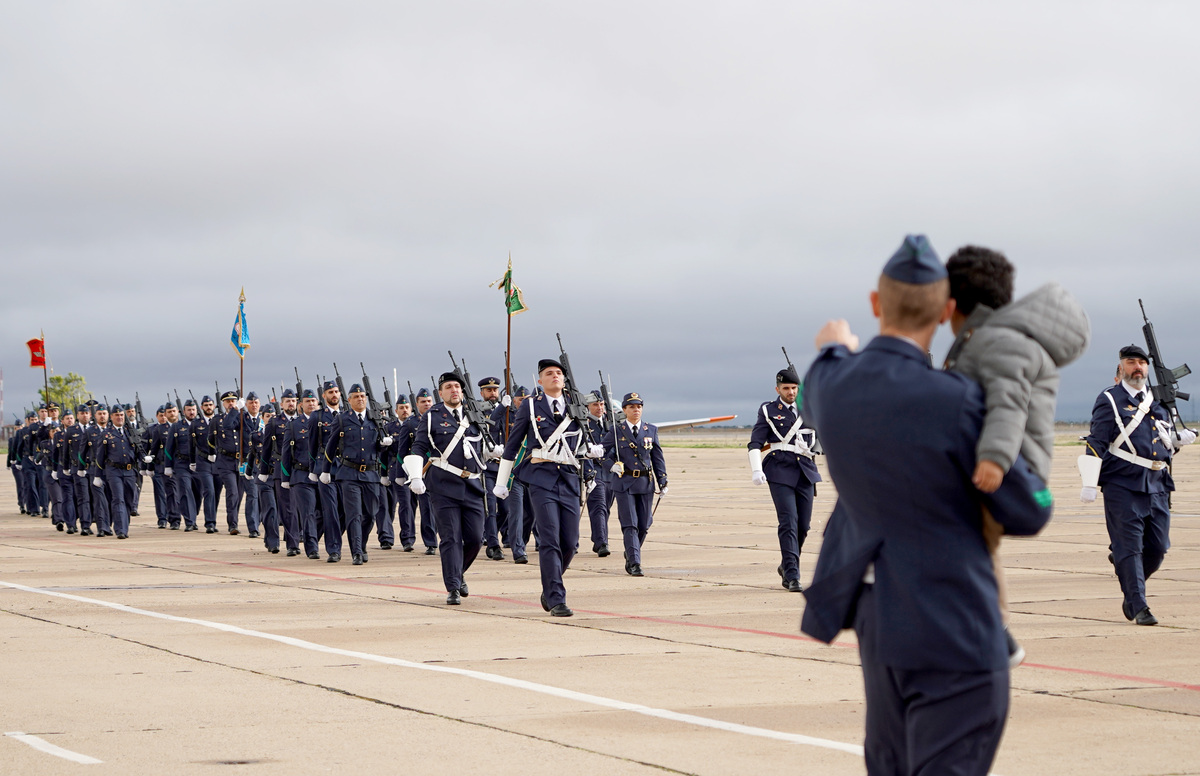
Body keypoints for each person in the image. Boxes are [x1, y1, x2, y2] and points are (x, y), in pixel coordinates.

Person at [800, 234, 1054, 776]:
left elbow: (824, 367)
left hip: (882, 632)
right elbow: (1029, 510)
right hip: (955, 632)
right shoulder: (960, 399)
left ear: (875, 305)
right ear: (945, 313)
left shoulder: (829, 383)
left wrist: (833, 345)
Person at [942, 245, 1089, 660]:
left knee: (973, 551)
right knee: (975, 549)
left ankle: (995, 636)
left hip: (1008, 469)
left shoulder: (999, 342)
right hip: (1001, 468)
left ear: (954, 303)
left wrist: (994, 458)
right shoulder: (991, 338)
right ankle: (990, 633)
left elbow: (1009, 404)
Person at [1082, 344, 1196, 625]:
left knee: (1158, 548)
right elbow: (1097, 440)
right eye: (1131, 362)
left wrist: (1177, 441)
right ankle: (1139, 606)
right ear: (1121, 368)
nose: (1137, 367)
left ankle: (1129, 577)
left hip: (1158, 483)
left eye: (1142, 363)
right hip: (1122, 483)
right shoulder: (1109, 400)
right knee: (1130, 547)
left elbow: (1160, 443)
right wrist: (1088, 480)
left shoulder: (1158, 402)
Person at [495, 360, 604, 616]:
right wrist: (502, 482)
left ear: (564, 381)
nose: (554, 376)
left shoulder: (576, 406)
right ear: (540, 381)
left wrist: (592, 452)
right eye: (548, 374)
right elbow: (512, 445)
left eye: (558, 373)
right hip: (540, 478)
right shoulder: (531, 406)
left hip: (568, 477)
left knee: (570, 542)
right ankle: (556, 598)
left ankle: (549, 585)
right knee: (550, 539)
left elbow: (581, 443)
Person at [404, 373, 487, 605]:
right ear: (440, 393)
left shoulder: (474, 415)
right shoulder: (431, 417)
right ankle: (452, 587)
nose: (454, 390)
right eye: (449, 387)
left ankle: (457, 573)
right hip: (443, 485)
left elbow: (484, 444)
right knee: (450, 538)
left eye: (457, 386)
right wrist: (415, 475)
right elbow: (419, 446)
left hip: (472, 485)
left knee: (475, 539)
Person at [747, 367, 821, 592]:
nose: (790, 392)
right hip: (779, 469)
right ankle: (792, 574)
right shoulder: (769, 410)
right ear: (777, 389)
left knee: (804, 526)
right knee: (788, 521)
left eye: (794, 388)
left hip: (805, 470)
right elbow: (755, 443)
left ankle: (786, 564)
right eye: (786, 388)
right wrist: (756, 469)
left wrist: (813, 448)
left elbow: (821, 439)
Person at [319, 383, 393, 565]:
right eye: (356, 396)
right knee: (354, 514)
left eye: (362, 396)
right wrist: (326, 471)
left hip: (370, 474)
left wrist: (384, 444)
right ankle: (357, 552)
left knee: (371, 514)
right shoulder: (343, 420)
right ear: (349, 400)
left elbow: (378, 449)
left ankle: (363, 543)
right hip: (349, 474)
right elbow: (331, 445)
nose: (360, 399)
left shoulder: (375, 419)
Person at [603, 393, 667, 576]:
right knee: (630, 524)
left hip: (645, 483)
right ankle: (635, 563)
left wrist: (663, 480)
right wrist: (611, 466)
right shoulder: (616, 430)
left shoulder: (651, 430)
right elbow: (601, 453)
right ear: (624, 410)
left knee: (645, 523)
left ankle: (632, 550)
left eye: (639, 406)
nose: (636, 410)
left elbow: (657, 457)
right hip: (624, 483)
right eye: (631, 407)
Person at [489, 385, 532, 563]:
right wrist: (501, 408)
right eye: (520, 400)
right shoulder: (508, 415)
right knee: (515, 512)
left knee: (531, 514)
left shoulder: (537, 417)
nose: (523, 402)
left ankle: (522, 540)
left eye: (526, 399)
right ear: (514, 401)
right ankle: (518, 549)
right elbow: (490, 427)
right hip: (512, 472)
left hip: (531, 470)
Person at [94, 406, 139, 539]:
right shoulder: (106, 434)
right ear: (111, 417)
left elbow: (137, 451)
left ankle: (124, 526)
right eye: (116, 415)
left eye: (121, 415)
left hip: (130, 471)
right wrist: (97, 475)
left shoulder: (130, 432)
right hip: (114, 471)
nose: (119, 417)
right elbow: (100, 456)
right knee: (118, 499)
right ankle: (120, 530)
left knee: (128, 501)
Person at [584, 391, 614, 557]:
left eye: (601, 404)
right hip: (594, 470)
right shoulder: (585, 426)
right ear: (588, 407)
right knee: (599, 506)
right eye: (595, 404)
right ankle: (602, 542)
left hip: (612, 473)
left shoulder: (611, 424)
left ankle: (598, 537)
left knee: (606, 508)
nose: (599, 408)